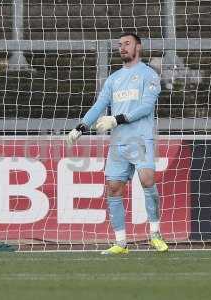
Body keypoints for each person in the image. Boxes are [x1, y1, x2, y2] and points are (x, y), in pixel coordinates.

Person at [66, 32, 168, 255]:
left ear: (138, 47)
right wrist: (81, 127)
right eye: (120, 45)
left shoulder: (149, 75)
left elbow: (146, 107)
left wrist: (116, 119)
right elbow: (99, 105)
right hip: (119, 143)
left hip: (140, 139)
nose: (122, 48)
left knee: (147, 180)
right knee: (113, 188)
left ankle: (155, 234)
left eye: (127, 44)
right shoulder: (113, 79)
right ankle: (121, 242)